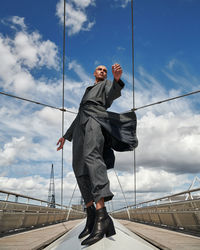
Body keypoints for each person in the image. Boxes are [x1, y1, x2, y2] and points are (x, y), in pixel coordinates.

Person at [57, 64, 138, 246]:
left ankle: (102, 215)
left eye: (105, 70)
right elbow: (79, 115)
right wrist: (65, 136)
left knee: (92, 157)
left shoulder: (106, 85)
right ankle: (91, 215)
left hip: (95, 119)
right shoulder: (88, 90)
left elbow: (111, 96)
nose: (102, 72)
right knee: (78, 167)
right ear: (94, 73)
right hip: (80, 127)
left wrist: (116, 80)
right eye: (99, 70)